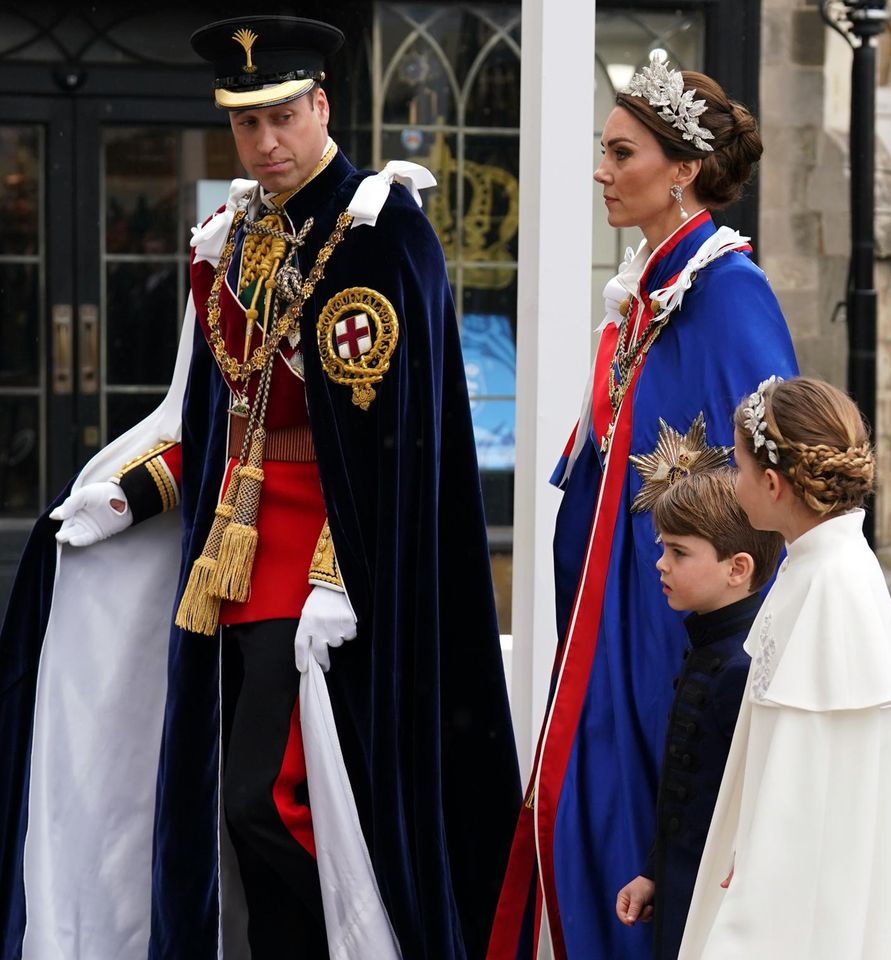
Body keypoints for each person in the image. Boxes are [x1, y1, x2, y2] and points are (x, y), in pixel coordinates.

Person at [0, 15, 520, 960]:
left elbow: (394, 446)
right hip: (229, 559)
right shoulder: (233, 234)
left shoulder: (379, 229)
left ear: (321, 105)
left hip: (325, 561)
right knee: (226, 814)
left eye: (283, 116)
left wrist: (338, 570)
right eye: (246, 125)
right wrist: (129, 497)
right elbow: (210, 417)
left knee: (267, 801)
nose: (267, 143)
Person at [486, 54, 798, 960]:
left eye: (621, 153)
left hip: (671, 631)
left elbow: (777, 476)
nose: (600, 171)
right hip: (617, 608)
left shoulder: (728, 294)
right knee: (596, 800)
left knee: (659, 808)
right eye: (601, 149)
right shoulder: (650, 291)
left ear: (684, 170)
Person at [679, 376, 891, 960]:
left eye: (739, 466)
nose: (733, 480)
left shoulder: (832, 585)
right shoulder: (817, 567)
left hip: (799, 898)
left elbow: (803, 776)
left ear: (773, 484)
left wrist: (754, 888)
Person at [615, 466, 783, 960]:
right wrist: (654, 872)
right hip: (681, 886)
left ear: (738, 568)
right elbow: (685, 800)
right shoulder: (709, 645)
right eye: (664, 547)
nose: (661, 564)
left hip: (721, 901)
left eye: (679, 552)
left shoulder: (741, 665)